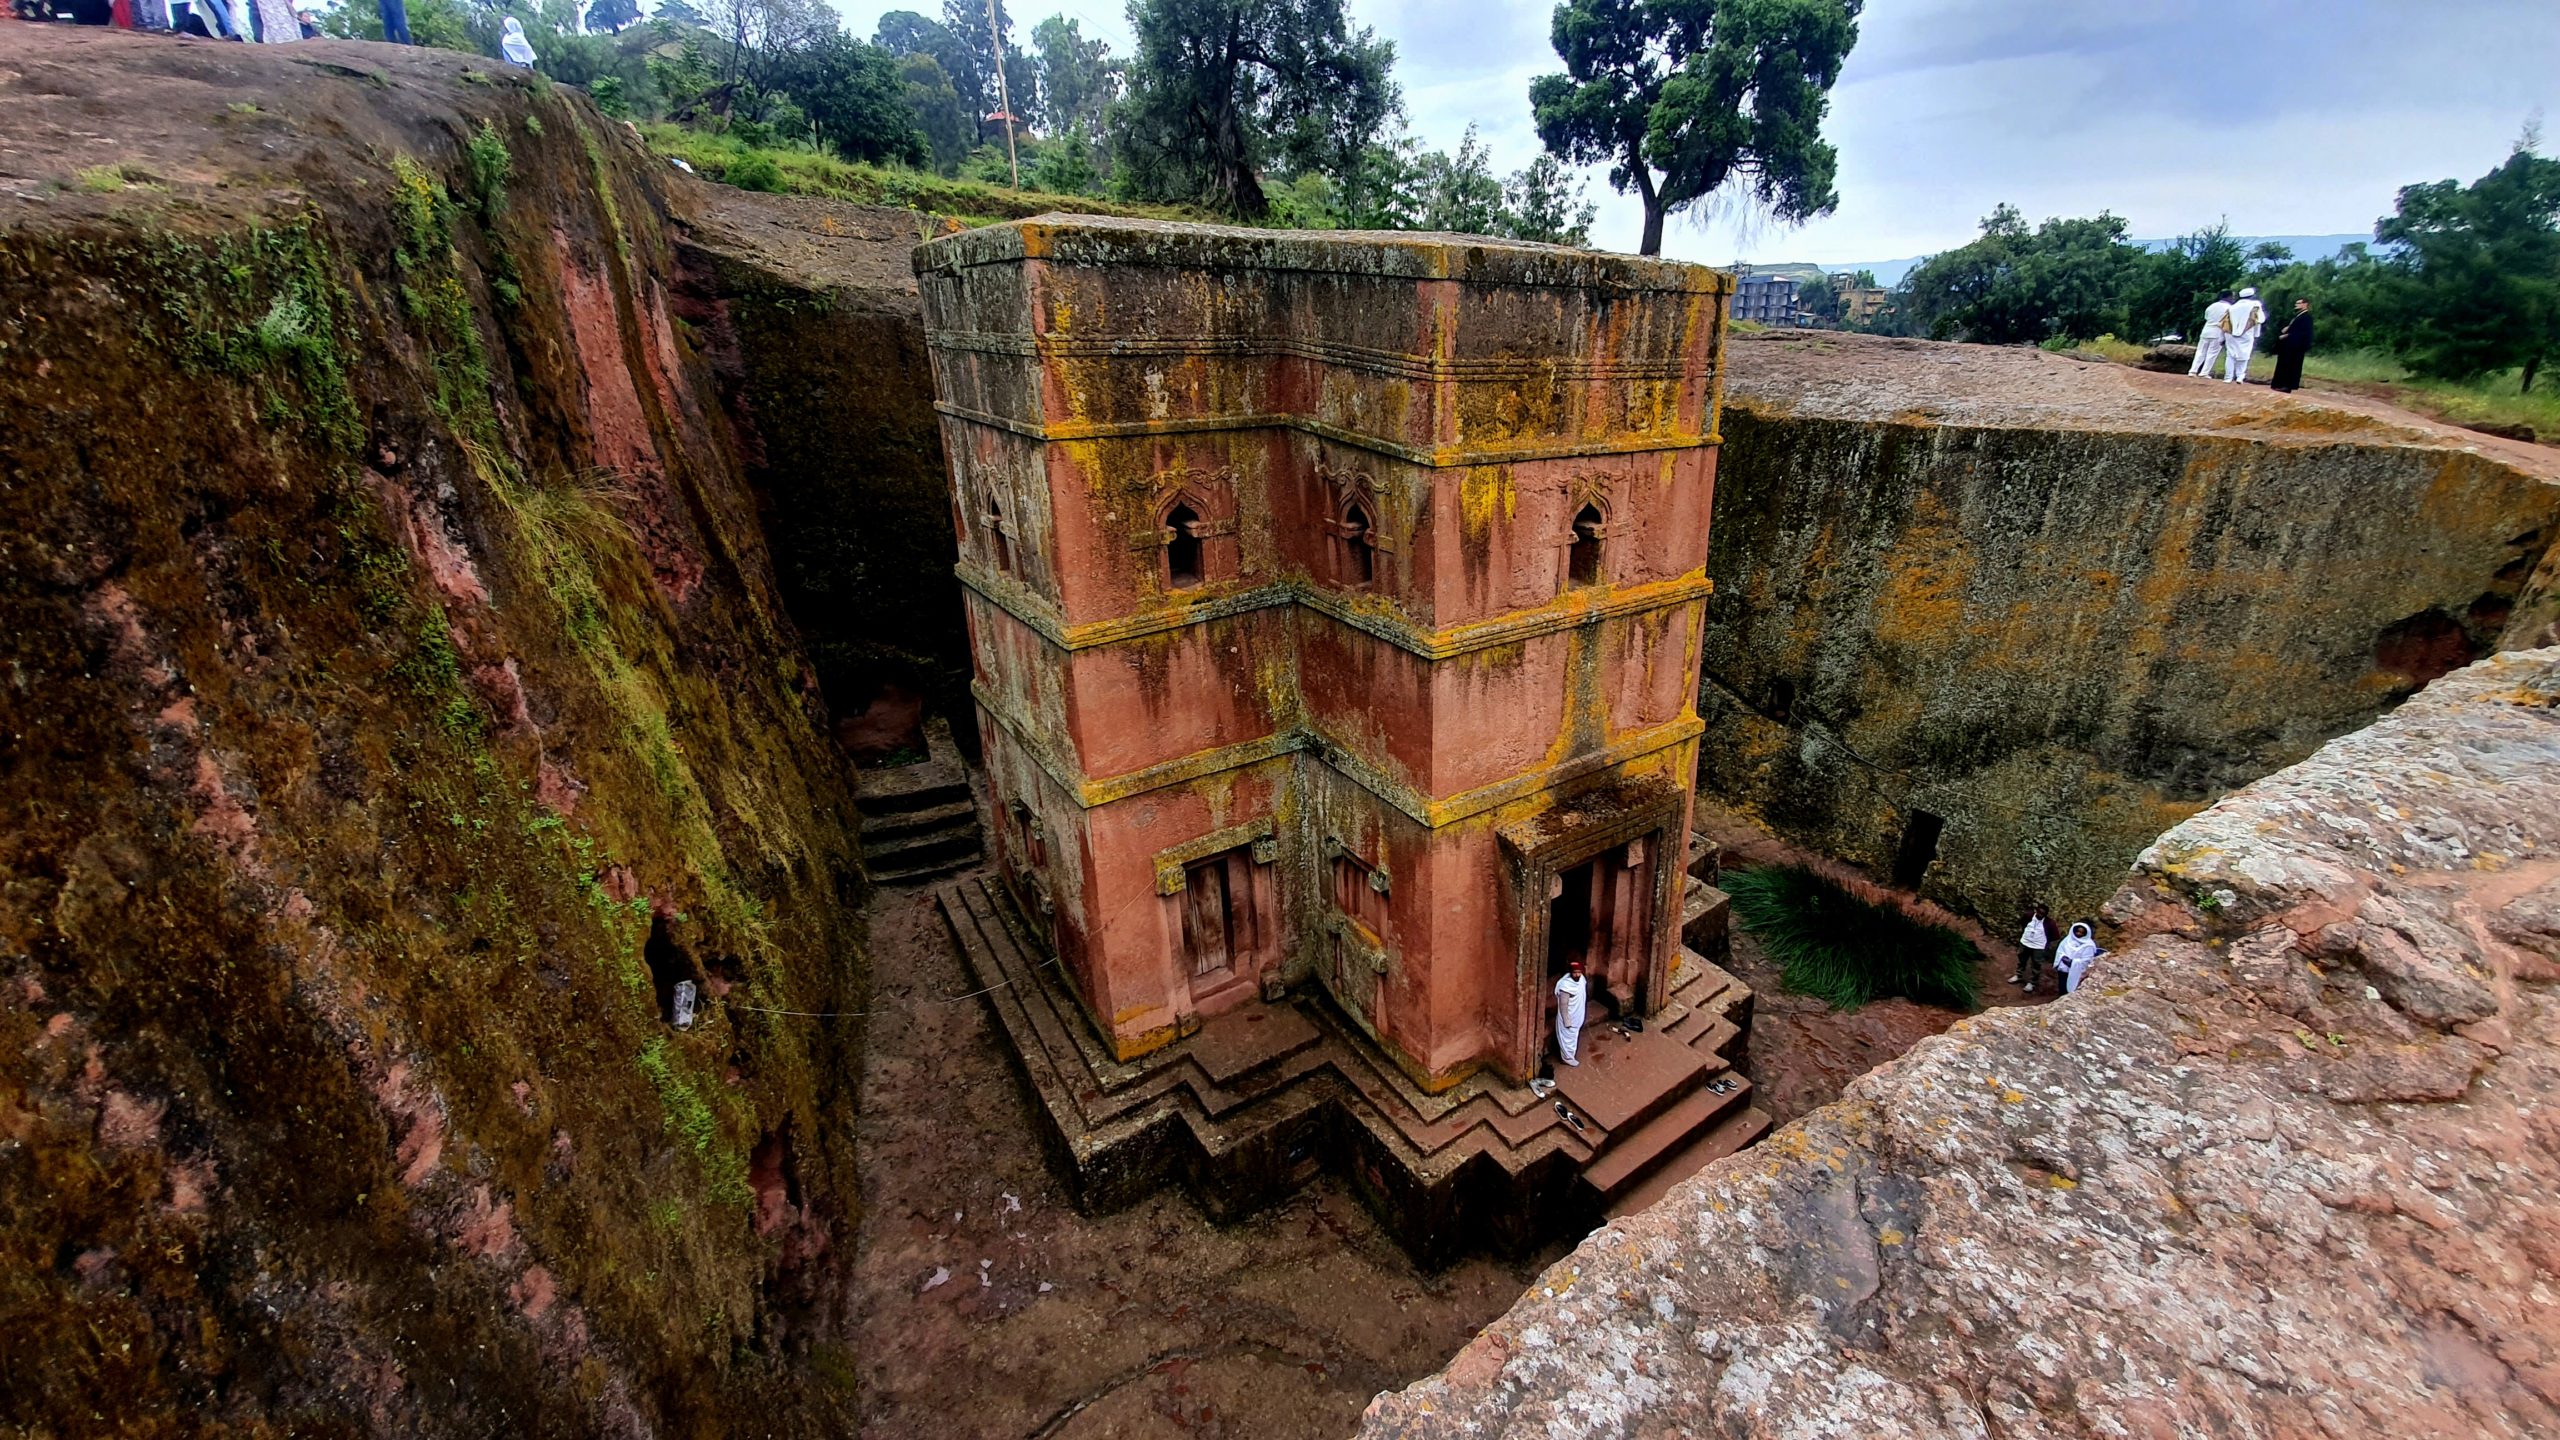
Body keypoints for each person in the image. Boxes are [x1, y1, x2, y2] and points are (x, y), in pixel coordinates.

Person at [2223, 287, 2267, 384]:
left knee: (2230, 355)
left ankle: (2228, 377)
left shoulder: (2232, 307)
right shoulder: (2255, 304)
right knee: (2245, 354)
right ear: (2251, 296)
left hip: (2230, 333)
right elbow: (2260, 319)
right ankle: (2240, 377)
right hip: (2247, 332)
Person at [2270, 298, 2314, 393]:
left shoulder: (2306, 317)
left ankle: (2287, 385)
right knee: (2285, 364)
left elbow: (2303, 333)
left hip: (2295, 346)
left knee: (2291, 365)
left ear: (2305, 304)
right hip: (2290, 345)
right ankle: (2279, 383)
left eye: (2298, 303)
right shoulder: (2299, 316)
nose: (2296, 305)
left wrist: (2288, 335)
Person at [1552, 959, 1589, 1068]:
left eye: (1579, 972)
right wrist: (1567, 1021)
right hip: (1569, 1018)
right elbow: (1563, 1005)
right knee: (1568, 1038)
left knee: (1574, 1036)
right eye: (1575, 972)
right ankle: (1567, 1057)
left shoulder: (1581, 979)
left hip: (1578, 1014)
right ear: (1571, 973)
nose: (1577, 975)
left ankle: (1570, 1056)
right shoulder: (1566, 986)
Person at [2189, 291, 2233, 378]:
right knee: (2212, 353)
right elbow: (2227, 322)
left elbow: (2206, 317)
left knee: (2200, 351)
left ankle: (2193, 370)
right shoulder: (2230, 308)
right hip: (2218, 331)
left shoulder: (2212, 306)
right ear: (2228, 297)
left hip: (2206, 330)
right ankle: (2204, 372)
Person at [2013, 902, 2053, 991]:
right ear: (2036, 911)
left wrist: (2044, 942)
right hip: (2025, 942)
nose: (2040, 915)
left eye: (2043, 914)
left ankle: (2032, 982)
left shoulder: (2049, 923)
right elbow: (2022, 923)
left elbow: (2054, 935)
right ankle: (2018, 975)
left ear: (2046, 915)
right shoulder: (2028, 916)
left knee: (2036, 964)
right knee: (2022, 959)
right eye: (2039, 912)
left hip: (2038, 946)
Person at [2057, 923, 2101, 994]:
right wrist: (2063, 957)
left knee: (2073, 988)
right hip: (2064, 968)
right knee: (2062, 986)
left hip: (2077, 971)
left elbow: (2087, 960)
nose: (2078, 933)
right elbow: (2060, 951)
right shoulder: (2067, 940)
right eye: (2077, 931)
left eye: (2081, 932)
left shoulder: (2089, 945)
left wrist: (2073, 962)